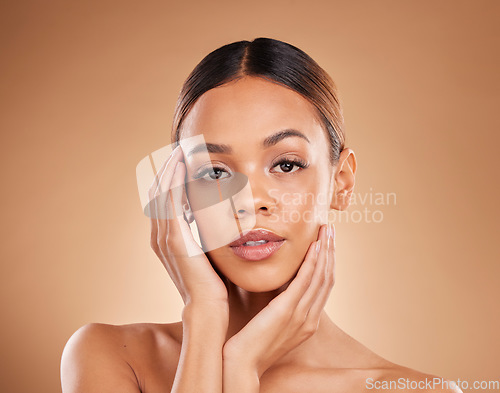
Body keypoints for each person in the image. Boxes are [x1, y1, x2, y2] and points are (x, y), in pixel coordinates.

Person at [60, 37, 461, 393]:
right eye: (215, 172)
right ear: (180, 194)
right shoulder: (110, 357)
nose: (248, 201)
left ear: (341, 181)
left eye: (286, 164)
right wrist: (203, 316)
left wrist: (242, 365)